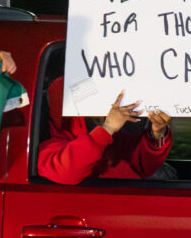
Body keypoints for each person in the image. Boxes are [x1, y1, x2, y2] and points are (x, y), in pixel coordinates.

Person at [37, 78, 172, 185]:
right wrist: (107, 129)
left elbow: (145, 166)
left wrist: (158, 133)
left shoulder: (119, 137)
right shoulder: (51, 146)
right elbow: (67, 171)